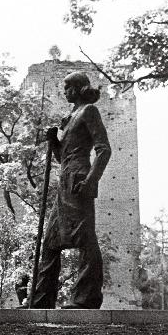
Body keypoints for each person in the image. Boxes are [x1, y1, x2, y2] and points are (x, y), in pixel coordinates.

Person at [30, 71, 112, 309]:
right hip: (65, 181)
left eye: (67, 88)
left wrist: (90, 180)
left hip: (79, 181)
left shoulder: (89, 111)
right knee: (50, 241)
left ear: (77, 89)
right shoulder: (70, 117)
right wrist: (54, 142)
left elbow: (104, 149)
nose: (64, 92)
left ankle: (86, 298)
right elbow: (62, 158)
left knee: (85, 239)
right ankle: (41, 299)